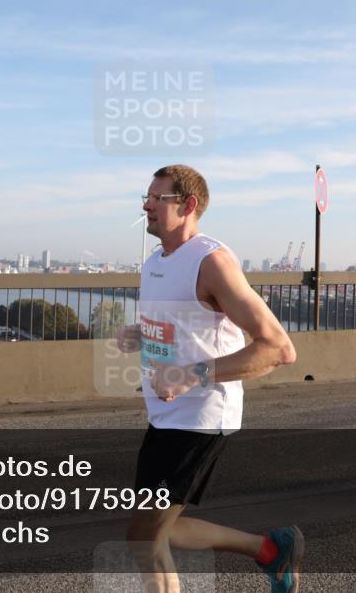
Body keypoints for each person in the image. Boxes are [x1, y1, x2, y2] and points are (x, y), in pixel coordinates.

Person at [117, 165, 303, 592]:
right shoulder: (154, 264)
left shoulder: (211, 261)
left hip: (198, 418)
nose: (146, 204)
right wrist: (142, 336)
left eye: (157, 198)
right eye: (145, 197)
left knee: (144, 540)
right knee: (157, 531)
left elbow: (278, 348)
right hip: (166, 416)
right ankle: (271, 550)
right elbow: (185, 331)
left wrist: (189, 376)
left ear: (188, 206)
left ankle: (272, 551)